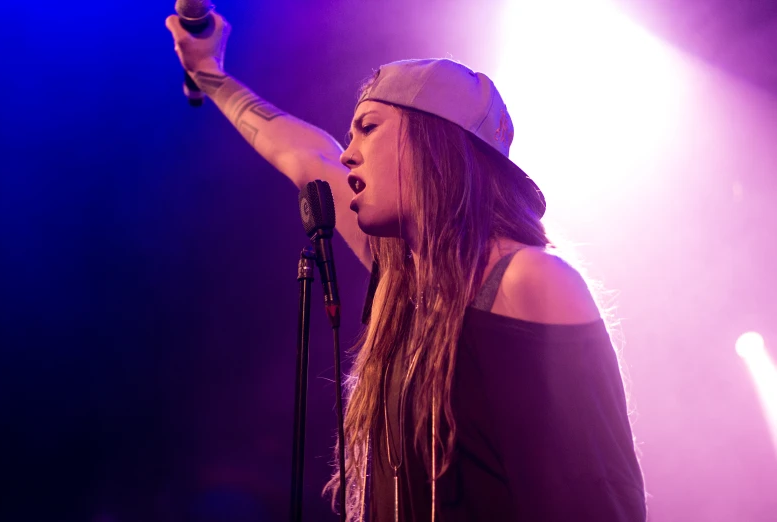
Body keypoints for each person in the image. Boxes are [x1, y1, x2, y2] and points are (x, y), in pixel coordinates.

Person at [166, 10, 647, 522]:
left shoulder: (530, 281)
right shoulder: (404, 282)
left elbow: (598, 498)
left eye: (368, 128)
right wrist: (211, 76)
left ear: (432, 140)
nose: (348, 154)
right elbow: (307, 155)